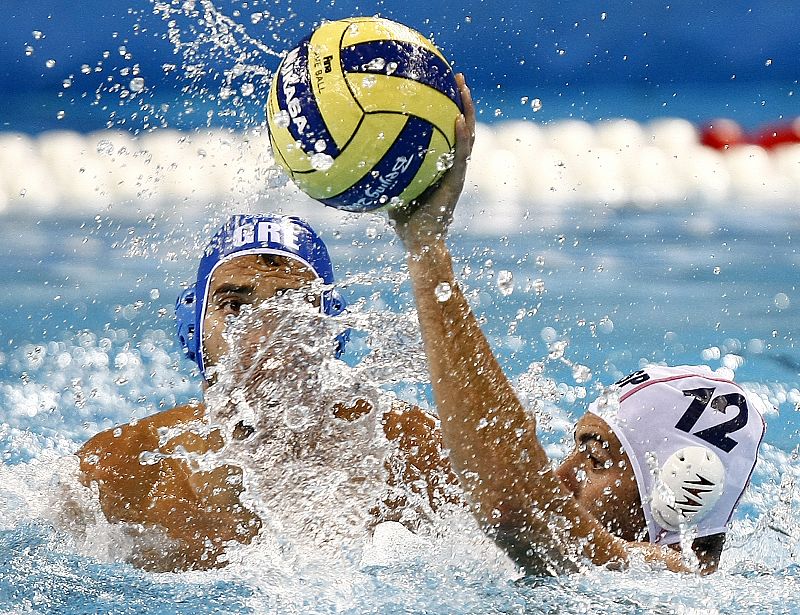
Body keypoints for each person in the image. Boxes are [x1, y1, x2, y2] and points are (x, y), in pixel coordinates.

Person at [389, 73, 766, 574]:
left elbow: (513, 501)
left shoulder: (668, 585)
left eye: (594, 459)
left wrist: (428, 251)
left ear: (683, 488)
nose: (561, 475)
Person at [77, 213, 460, 572]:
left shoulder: (417, 453)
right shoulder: (119, 472)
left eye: (292, 308)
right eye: (235, 307)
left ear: (331, 332)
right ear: (192, 327)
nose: (264, 338)